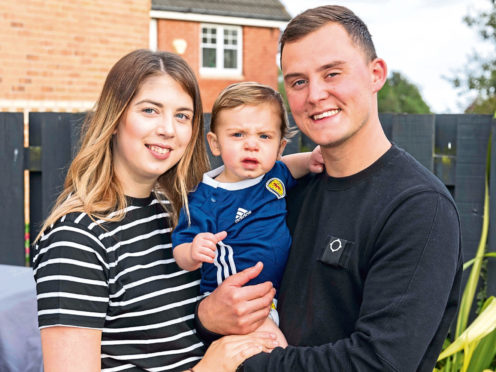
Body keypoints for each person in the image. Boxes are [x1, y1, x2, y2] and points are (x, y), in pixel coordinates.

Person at [194, 5, 463, 372]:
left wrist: (241, 364)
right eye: (298, 81)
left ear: (375, 74)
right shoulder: (280, 192)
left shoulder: (418, 208)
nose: (315, 95)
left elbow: (379, 362)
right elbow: (227, 301)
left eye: (332, 73)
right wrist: (208, 316)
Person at [32, 49, 278, 372]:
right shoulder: (76, 238)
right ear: (116, 118)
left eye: (182, 116)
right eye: (150, 110)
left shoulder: (177, 215)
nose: (168, 129)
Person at [171, 82, 323, 346]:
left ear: (279, 147)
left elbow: (290, 166)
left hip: (273, 294)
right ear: (215, 144)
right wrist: (193, 252)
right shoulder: (206, 199)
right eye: (238, 135)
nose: (252, 145)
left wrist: (311, 158)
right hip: (235, 299)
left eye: (264, 136)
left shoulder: (274, 174)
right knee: (276, 349)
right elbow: (180, 249)